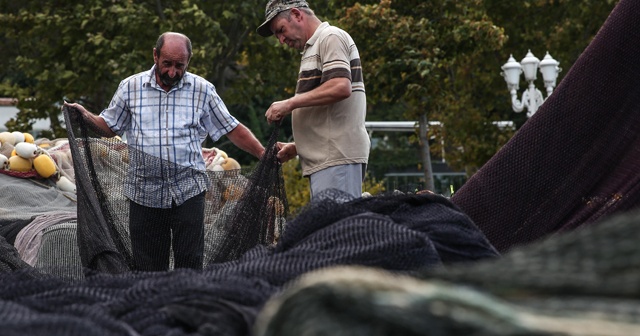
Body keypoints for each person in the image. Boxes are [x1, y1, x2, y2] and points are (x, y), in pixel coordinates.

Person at [64, 32, 265, 272]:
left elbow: (232, 128)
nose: (172, 72)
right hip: (144, 192)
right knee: (148, 268)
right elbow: (109, 127)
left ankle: (184, 307)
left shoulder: (202, 90)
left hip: (188, 191)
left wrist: (264, 154)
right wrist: (85, 116)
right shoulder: (131, 87)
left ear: (188, 62)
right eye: (167, 64)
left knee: (189, 265)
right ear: (155, 55)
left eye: (179, 66)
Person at [257, 0, 370, 201]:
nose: (282, 40)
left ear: (297, 14)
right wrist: (298, 146)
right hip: (328, 160)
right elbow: (327, 114)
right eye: (277, 36)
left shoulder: (330, 37)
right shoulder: (314, 47)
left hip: (337, 158)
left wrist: (289, 103)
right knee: (328, 231)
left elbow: (340, 87)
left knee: (337, 231)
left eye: (281, 30)